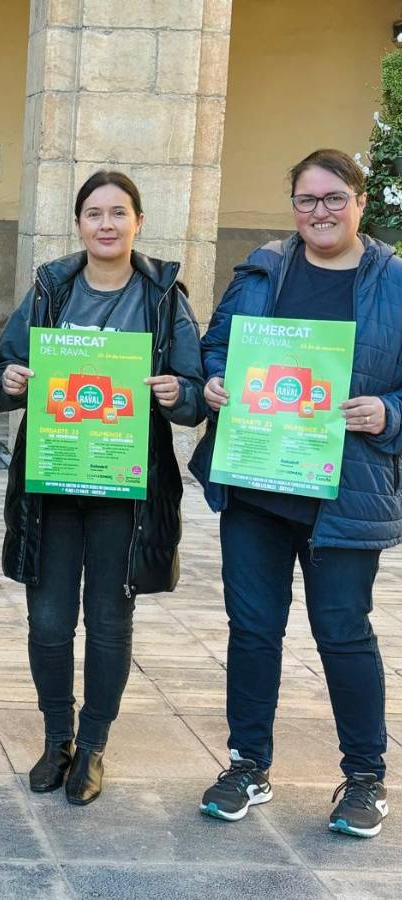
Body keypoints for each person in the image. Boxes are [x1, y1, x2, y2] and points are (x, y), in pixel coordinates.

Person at [191, 149, 400, 838]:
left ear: (360, 201)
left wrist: (389, 413)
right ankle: (248, 763)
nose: (321, 212)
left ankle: (365, 776)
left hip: (344, 494)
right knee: (253, 632)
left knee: (342, 631)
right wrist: (215, 382)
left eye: (334, 198)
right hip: (257, 488)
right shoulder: (262, 272)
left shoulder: (393, 282)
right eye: (308, 200)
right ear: (293, 207)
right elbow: (214, 349)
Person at [0, 171, 206, 805]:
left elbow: (194, 396)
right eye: (94, 213)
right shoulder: (50, 290)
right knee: (50, 617)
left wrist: (176, 393)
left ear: (138, 221)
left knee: (110, 619)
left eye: (118, 212)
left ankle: (93, 745)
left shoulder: (165, 296)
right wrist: (14, 376)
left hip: (127, 486)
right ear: (79, 224)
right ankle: (56, 737)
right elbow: (6, 364)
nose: (106, 224)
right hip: (54, 481)